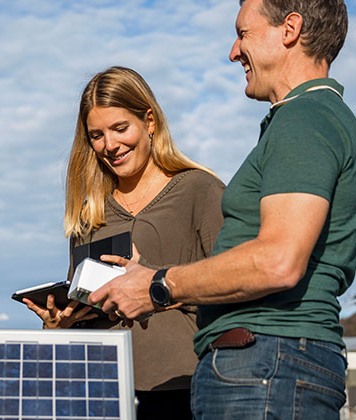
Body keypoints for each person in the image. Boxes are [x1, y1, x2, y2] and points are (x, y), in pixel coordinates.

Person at [89, 1, 356, 418]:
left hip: (266, 364)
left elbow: (277, 262)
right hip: (269, 365)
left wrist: (158, 284)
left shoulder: (304, 119)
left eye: (243, 34)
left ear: (289, 29)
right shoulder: (306, 119)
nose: (234, 52)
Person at [23, 66, 224, 420]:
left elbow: (235, 286)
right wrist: (57, 326)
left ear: (150, 121)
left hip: (187, 387)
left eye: (120, 128)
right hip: (102, 392)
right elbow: (84, 315)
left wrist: (156, 285)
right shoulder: (89, 216)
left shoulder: (200, 190)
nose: (110, 145)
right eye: (96, 135)